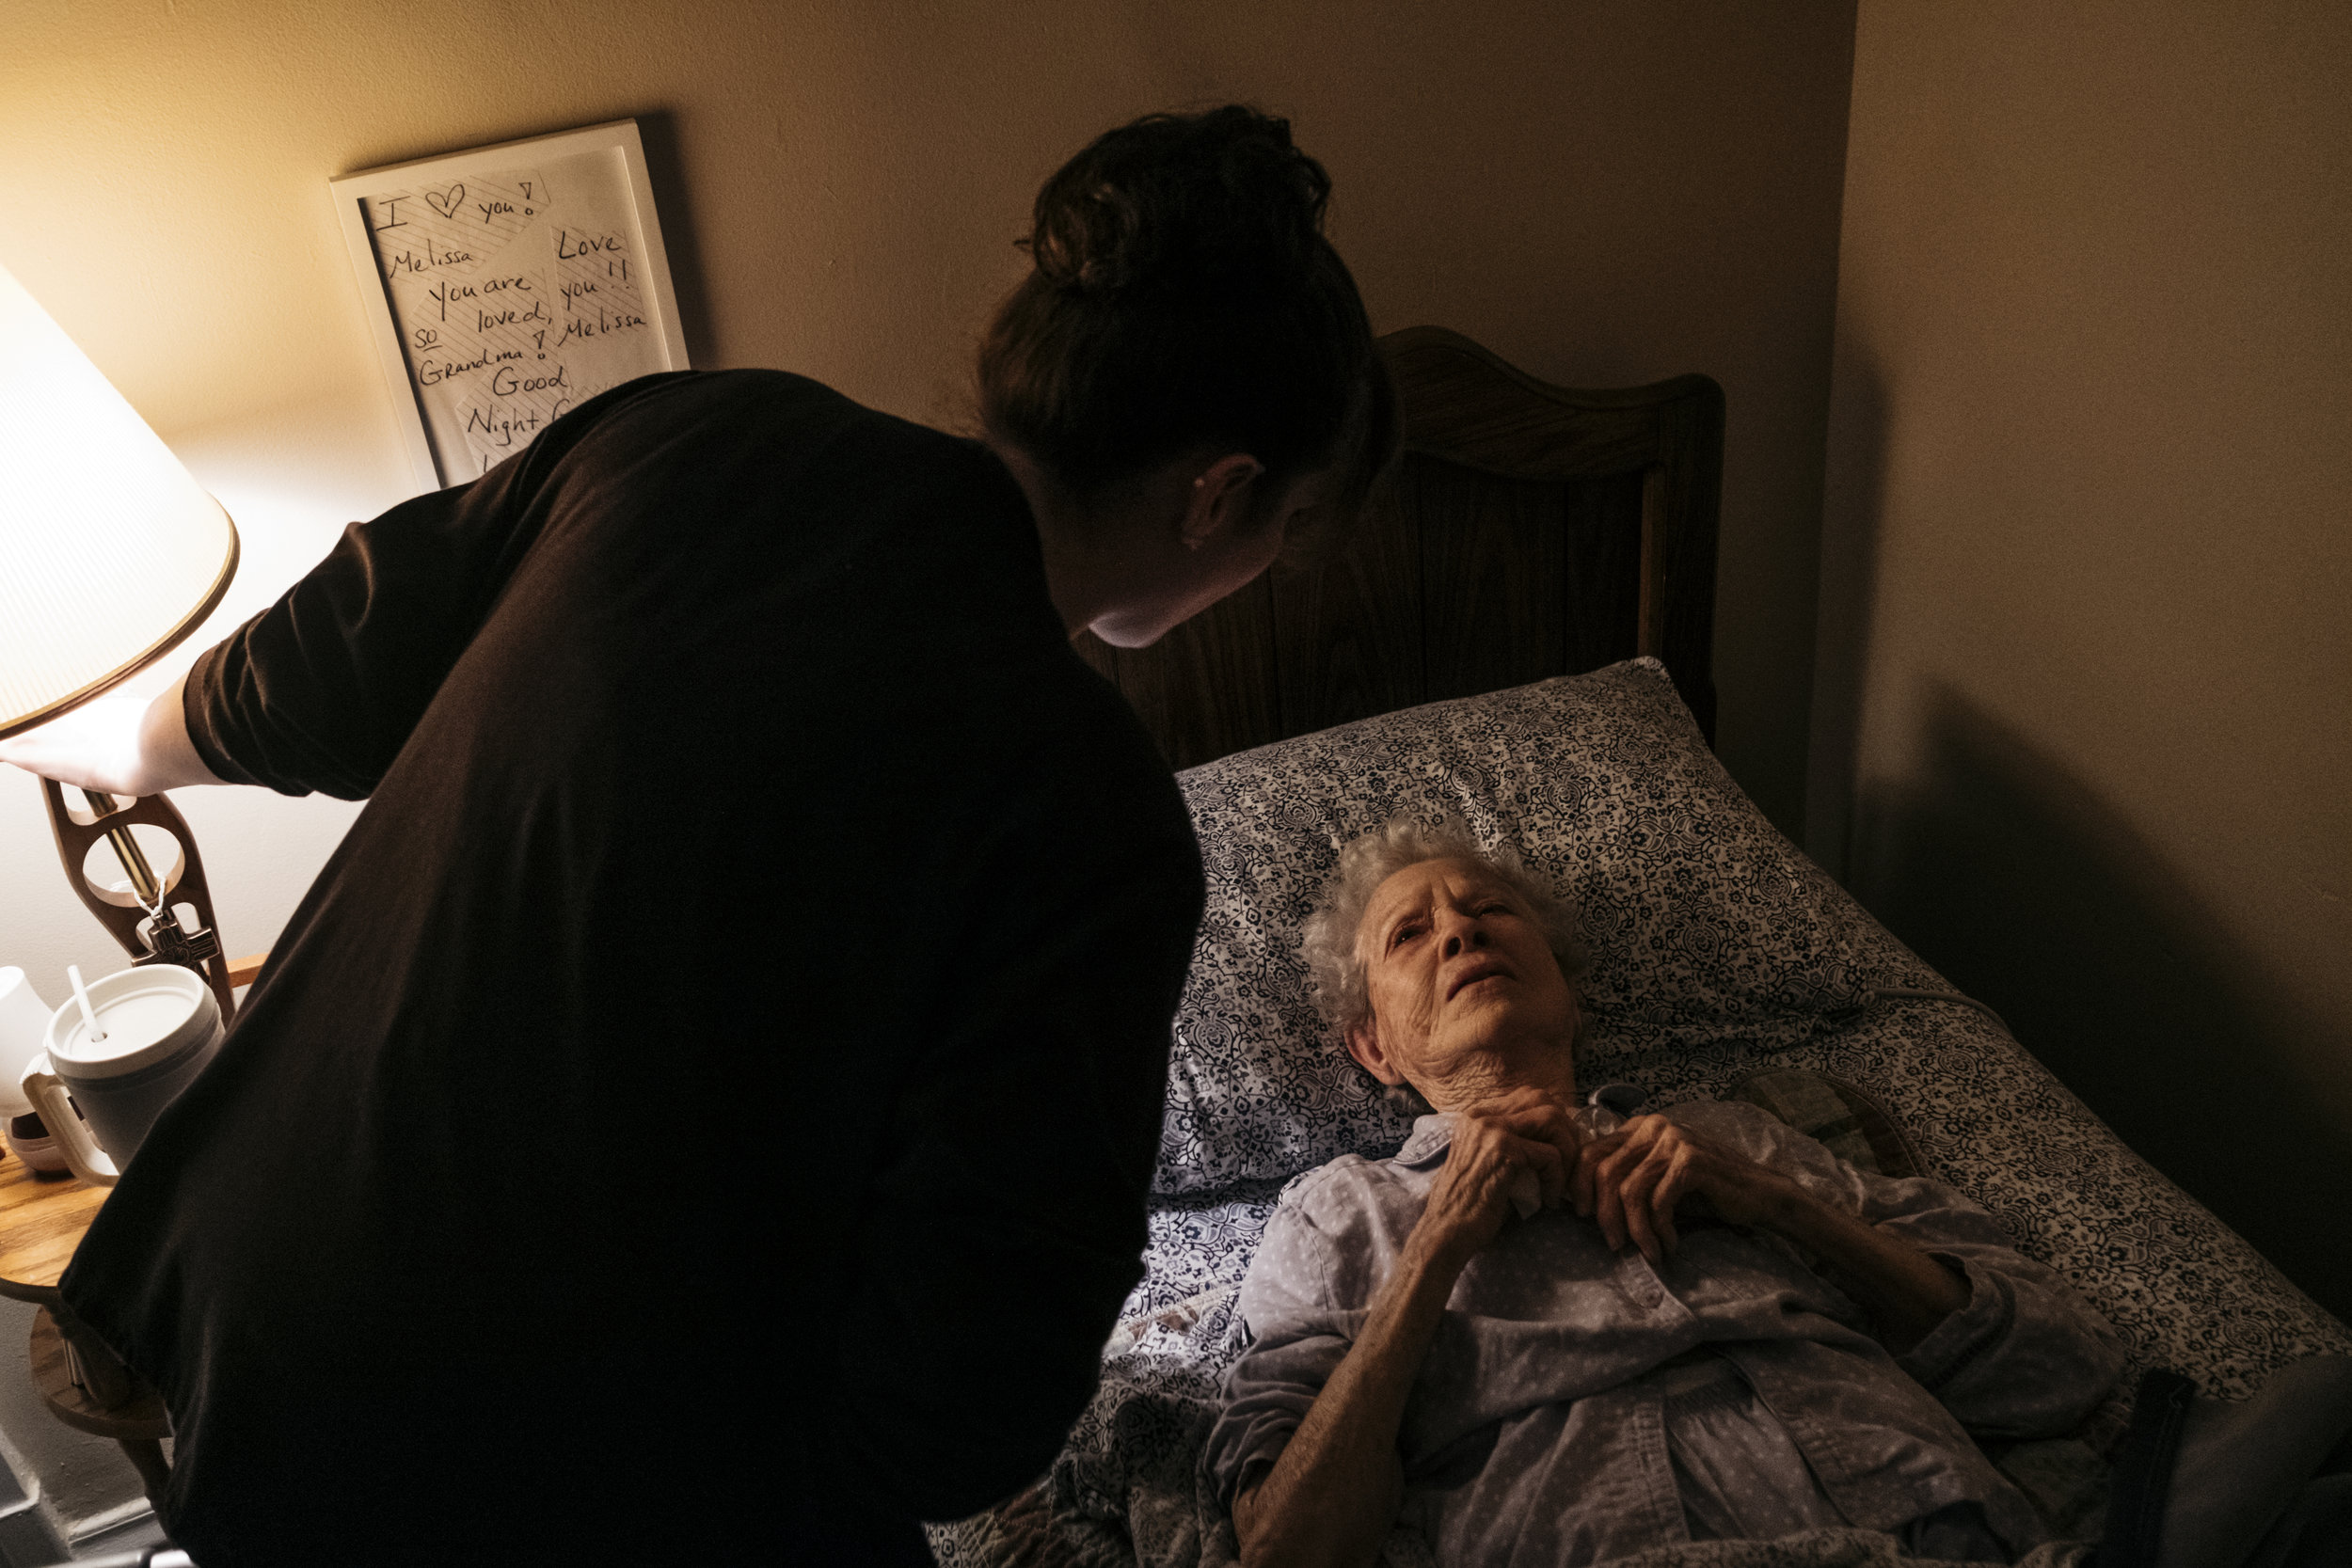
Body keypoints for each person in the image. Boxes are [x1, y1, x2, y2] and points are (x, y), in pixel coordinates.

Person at [0, 107, 1395, 1566]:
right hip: (527, 1468)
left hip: (232, 1309)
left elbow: (314, 671)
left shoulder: (690, 432)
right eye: (1286, 525)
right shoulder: (1092, 812)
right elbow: (955, 1410)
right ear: (1221, 490)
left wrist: (105, 738)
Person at [1206, 817, 2128, 1566]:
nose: (1461, 928)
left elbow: (2063, 1369)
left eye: (1489, 908)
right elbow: (1287, 1546)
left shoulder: (1740, 1136)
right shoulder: (1336, 1211)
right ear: (1374, 1047)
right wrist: (1437, 1241)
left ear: (1567, 991)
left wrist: (1777, 1201)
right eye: (1412, 932)